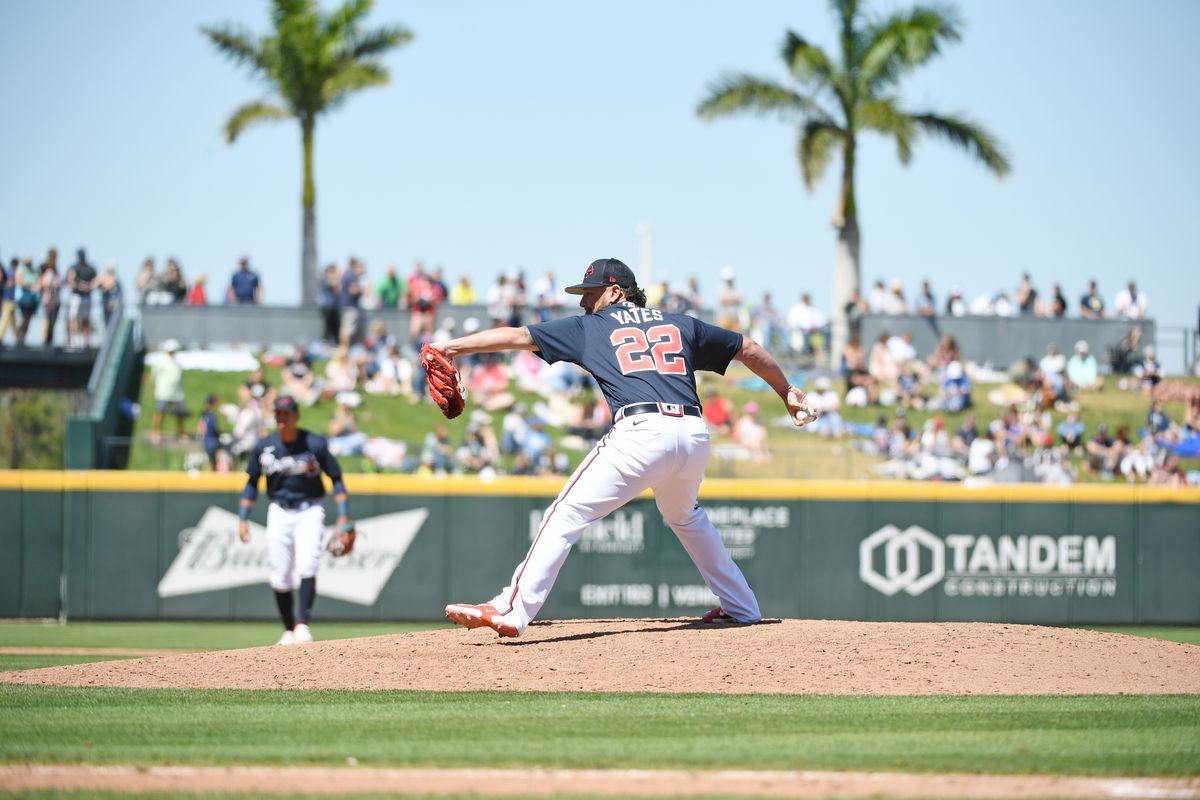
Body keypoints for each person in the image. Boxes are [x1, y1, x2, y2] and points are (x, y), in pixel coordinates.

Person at [436, 257, 817, 638]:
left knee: (566, 512)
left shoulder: (592, 326)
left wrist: (450, 347)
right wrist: (787, 392)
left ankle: (510, 607)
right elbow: (747, 347)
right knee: (685, 515)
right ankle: (742, 607)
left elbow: (519, 336)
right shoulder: (681, 323)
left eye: (591, 293)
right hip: (693, 434)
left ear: (616, 292)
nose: (584, 303)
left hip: (642, 432)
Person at [238, 395, 354, 646]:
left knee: (308, 564)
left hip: (310, 509)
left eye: (286, 414)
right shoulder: (264, 446)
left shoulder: (314, 443)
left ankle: (302, 624)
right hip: (279, 510)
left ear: (296, 415)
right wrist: (243, 519)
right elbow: (251, 483)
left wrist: (343, 515)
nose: (281, 418)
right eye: (278, 414)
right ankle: (288, 629)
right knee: (280, 574)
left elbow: (336, 478)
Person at [150, 339, 188, 444]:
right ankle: (156, 432)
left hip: (177, 393)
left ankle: (181, 432)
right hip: (163, 392)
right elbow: (153, 375)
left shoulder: (177, 363)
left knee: (180, 413)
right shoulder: (161, 362)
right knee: (160, 412)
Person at [65, 248, 97, 347]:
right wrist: (83, 286)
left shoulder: (89, 268)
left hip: (84, 297)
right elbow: (70, 281)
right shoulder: (76, 267)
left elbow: (95, 281)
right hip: (78, 296)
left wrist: (87, 286)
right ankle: (74, 340)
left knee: (83, 319)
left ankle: (85, 341)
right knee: (74, 318)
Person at [14, 257, 41, 345]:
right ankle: (18, 335)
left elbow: (39, 282)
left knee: (28, 319)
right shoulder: (21, 269)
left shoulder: (34, 271)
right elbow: (19, 281)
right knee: (24, 318)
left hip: (32, 299)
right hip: (23, 298)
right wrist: (30, 285)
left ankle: (23, 338)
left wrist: (35, 286)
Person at [39, 253, 62, 346]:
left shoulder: (56, 273)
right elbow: (46, 285)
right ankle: (46, 339)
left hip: (54, 301)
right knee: (48, 320)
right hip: (50, 301)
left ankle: (49, 339)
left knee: (52, 321)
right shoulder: (49, 272)